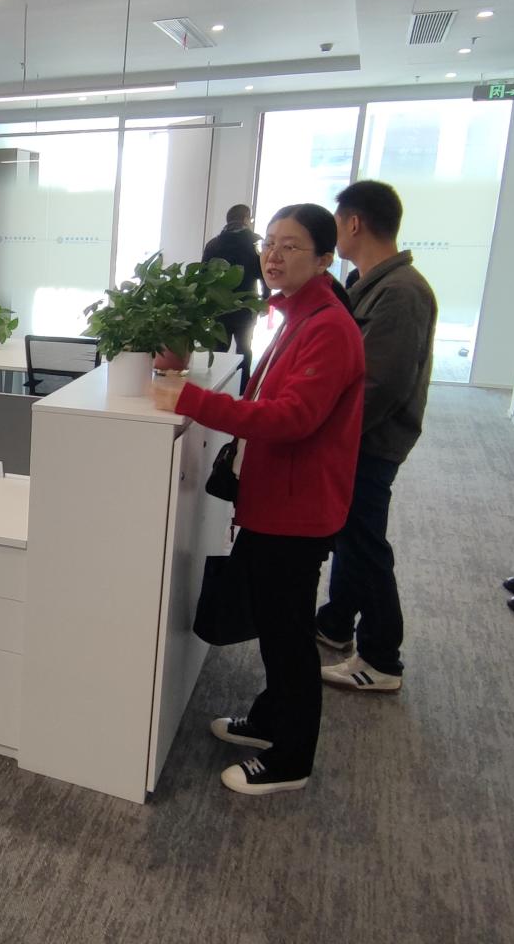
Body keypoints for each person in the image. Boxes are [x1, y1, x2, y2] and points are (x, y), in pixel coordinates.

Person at [153, 203, 365, 795]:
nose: (273, 255)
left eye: (290, 246)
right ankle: (273, 720)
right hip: (277, 498)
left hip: (298, 509)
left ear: (324, 259)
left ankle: (291, 760)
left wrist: (193, 400)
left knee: (288, 633)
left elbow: (293, 417)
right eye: (269, 242)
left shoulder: (328, 327)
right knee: (276, 624)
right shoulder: (298, 313)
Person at [315, 180, 438, 693]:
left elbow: (380, 385)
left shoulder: (401, 292)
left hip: (370, 440)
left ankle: (382, 658)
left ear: (354, 223)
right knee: (350, 534)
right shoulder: (368, 282)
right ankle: (336, 621)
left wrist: (328, 436)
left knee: (364, 542)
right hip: (359, 437)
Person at [202, 203, 265, 390]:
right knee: (244, 348)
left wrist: (204, 302)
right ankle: (244, 389)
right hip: (246, 305)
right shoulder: (254, 244)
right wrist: (265, 300)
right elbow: (263, 275)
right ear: (246, 219)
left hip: (219, 306)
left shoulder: (213, 244)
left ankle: (213, 387)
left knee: (218, 349)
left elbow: (203, 275)